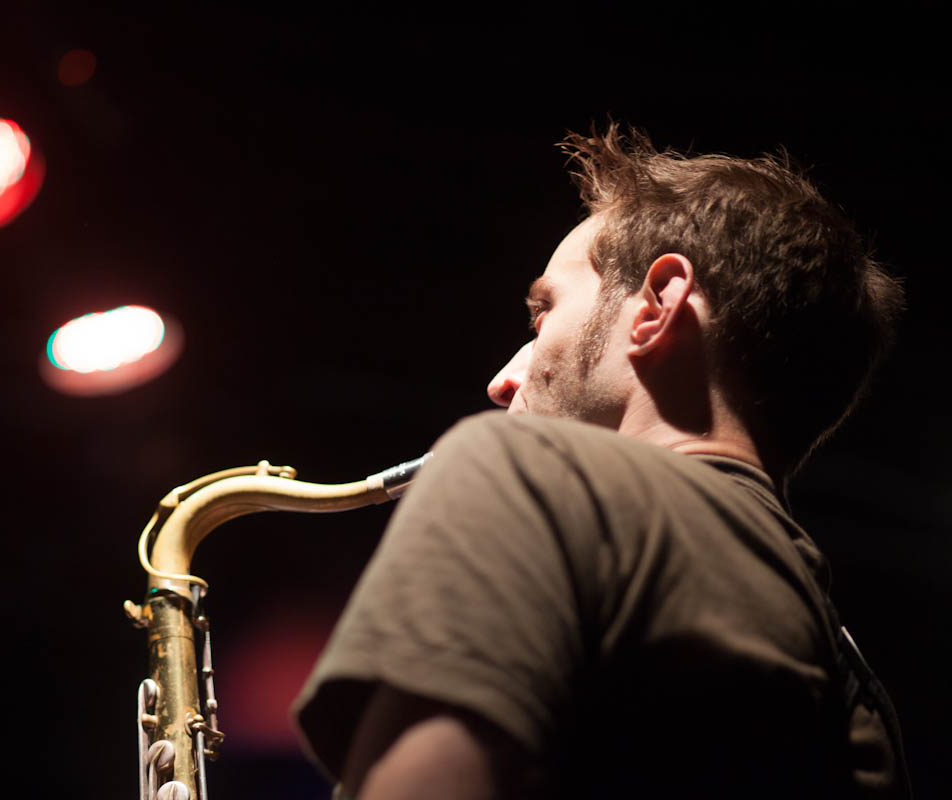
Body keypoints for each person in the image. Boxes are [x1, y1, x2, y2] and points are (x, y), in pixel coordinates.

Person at [291, 124, 911, 799]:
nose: (504, 381)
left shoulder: (527, 473)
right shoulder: (853, 693)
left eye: (542, 316)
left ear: (659, 304)